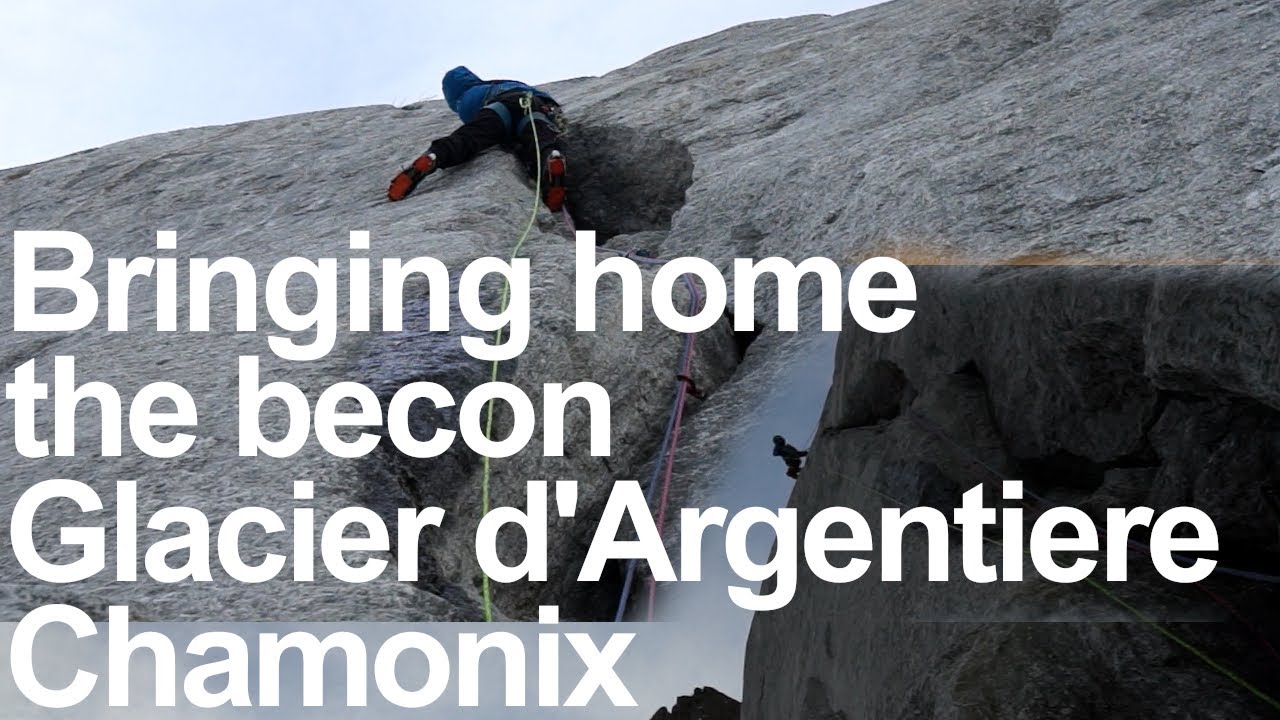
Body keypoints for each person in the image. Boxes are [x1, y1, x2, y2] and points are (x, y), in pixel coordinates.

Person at [388, 66, 568, 210]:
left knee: (468, 138)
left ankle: (434, 156)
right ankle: (551, 159)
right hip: (532, 104)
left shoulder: (466, 100)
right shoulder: (503, 83)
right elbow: (546, 99)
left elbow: (477, 126)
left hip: (498, 108)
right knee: (540, 140)